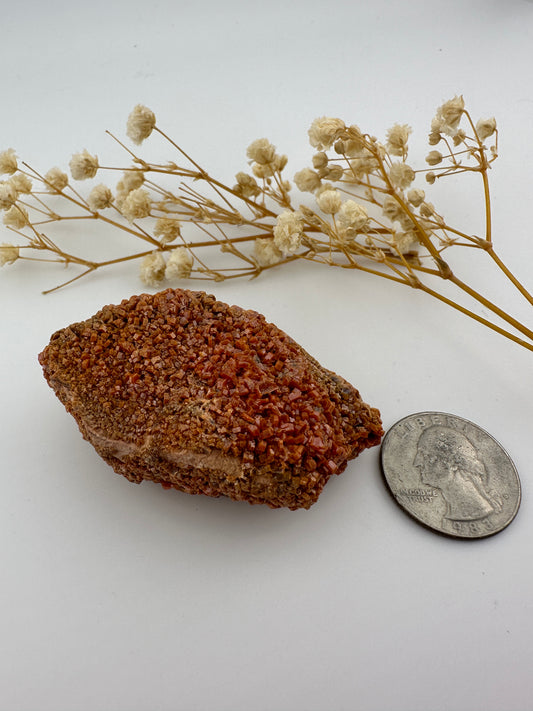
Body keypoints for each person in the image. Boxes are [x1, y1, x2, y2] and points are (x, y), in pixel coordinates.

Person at [413, 425, 502, 522]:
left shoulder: (475, 511)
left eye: (425, 455)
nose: (417, 463)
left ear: (453, 463)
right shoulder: (454, 514)